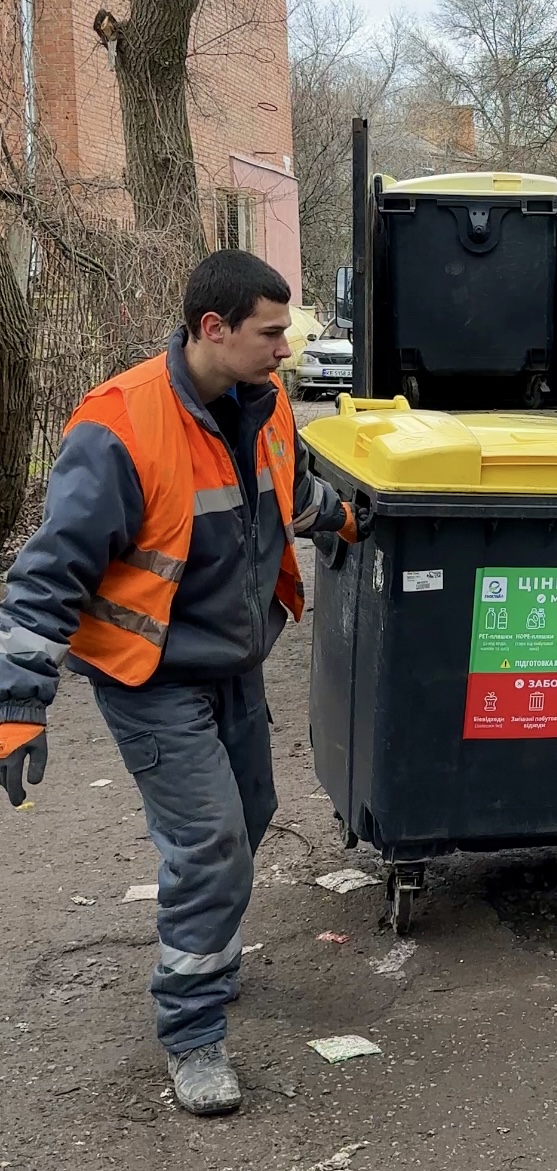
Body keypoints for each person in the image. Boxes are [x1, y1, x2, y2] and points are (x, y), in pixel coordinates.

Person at [0, 250, 370, 1115]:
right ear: (214, 328)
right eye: (270, 332)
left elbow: (288, 490)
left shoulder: (265, 402)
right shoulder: (121, 425)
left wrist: (351, 518)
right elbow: (47, 574)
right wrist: (19, 699)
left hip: (232, 666)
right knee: (211, 844)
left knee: (250, 815)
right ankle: (193, 1030)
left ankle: (204, 945)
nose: (286, 348)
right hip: (152, 677)